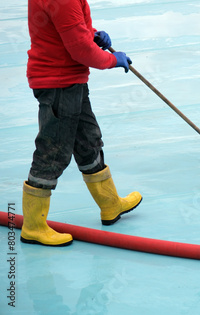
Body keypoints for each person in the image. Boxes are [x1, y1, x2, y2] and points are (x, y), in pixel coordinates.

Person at [21, 0, 142, 246]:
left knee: (88, 141)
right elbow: (80, 51)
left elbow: (67, 30)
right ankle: (33, 225)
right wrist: (112, 60)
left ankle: (110, 205)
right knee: (53, 152)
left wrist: (92, 34)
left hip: (70, 81)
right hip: (59, 84)